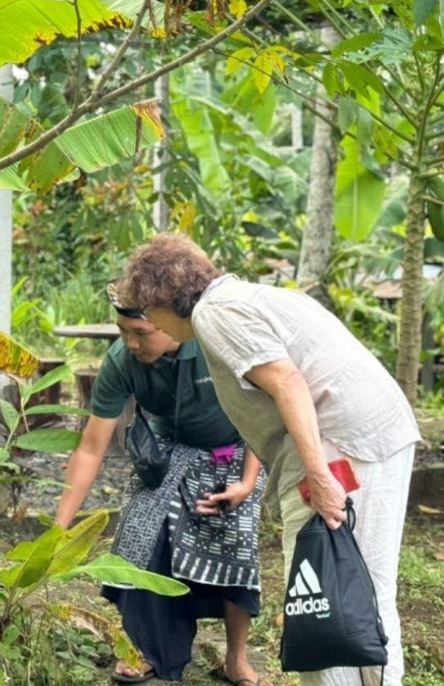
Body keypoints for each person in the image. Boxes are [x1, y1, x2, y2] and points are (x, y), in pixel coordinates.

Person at [123, 233, 421, 686]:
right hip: (375, 433)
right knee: (366, 588)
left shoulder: (213, 312)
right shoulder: (246, 295)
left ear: (162, 301)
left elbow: (287, 381)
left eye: (147, 311)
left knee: (319, 591)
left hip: (340, 444)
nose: (150, 322)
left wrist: (318, 476)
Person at [55, 280, 269, 686]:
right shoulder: (121, 360)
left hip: (235, 454)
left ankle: (236, 658)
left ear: (170, 323)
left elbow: (260, 412)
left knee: (236, 544)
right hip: (167, 454)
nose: (130, 343)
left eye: (140, 332)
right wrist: (57, 530)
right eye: (122, 331)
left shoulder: (214, 345)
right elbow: (90, 448)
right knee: (139, 534)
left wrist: (245, 484)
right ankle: (151, 651)